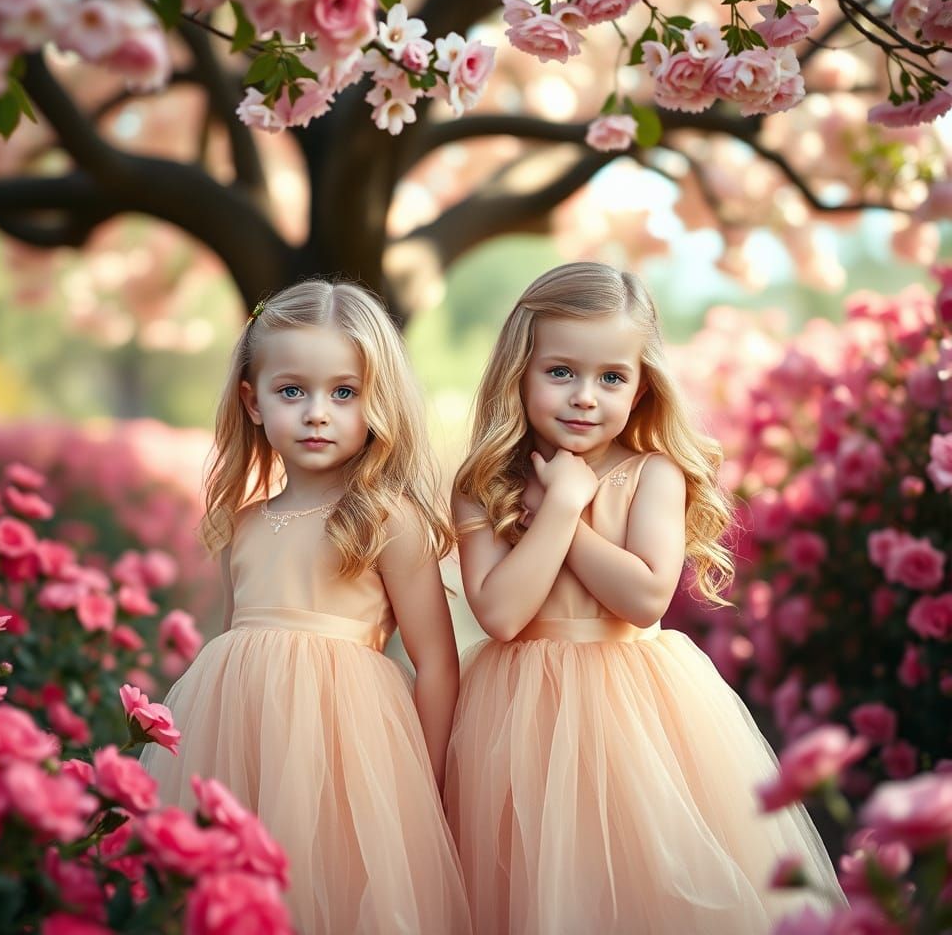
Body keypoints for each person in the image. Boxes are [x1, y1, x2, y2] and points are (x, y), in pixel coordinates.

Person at [445, 262, 843, 935]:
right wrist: (560, 503)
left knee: (641, 883)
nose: (584, 397)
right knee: (533, 890)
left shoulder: (650, 473)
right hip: (514, 721)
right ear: (520, 371)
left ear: (641, 385)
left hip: (635, 713)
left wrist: (563, 516)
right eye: (560, 372)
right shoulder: (484, 486)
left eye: (611, 378)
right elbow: (503, 614)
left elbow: (645, 597)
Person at [142, 279, 471, 935]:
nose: (317, 412)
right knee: (228, 884)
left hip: (347, 745)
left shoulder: (386, 519)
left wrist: (427, 777)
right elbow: (234, 636)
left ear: (377, 402)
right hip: (234, 731)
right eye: (292, 391)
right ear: (253, 401)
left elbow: (436, 661)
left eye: (343, 393)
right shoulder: (243, 523)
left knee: (329, 892)